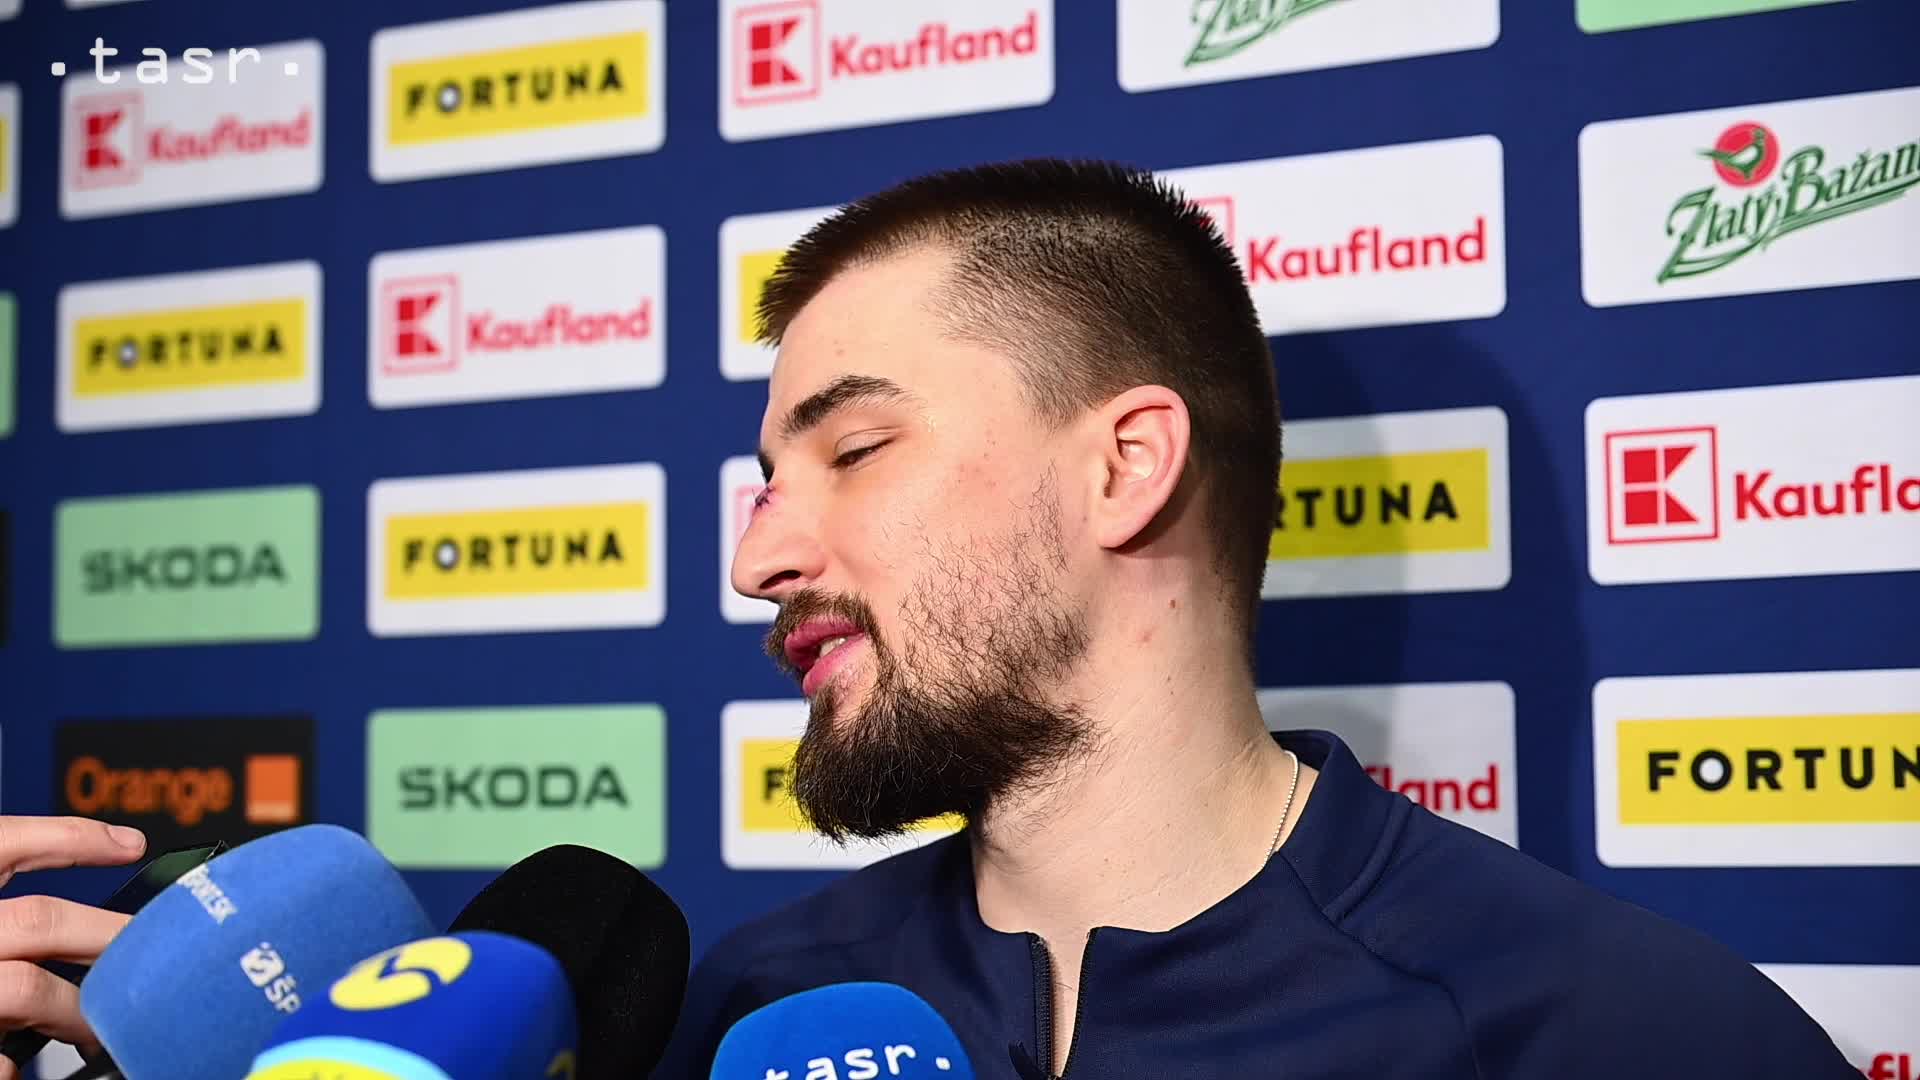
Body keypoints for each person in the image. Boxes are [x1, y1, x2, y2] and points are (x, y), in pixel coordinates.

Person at [655, 160, 1852, 1078]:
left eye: (855, 451)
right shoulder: (754, 1009)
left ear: (1127, 467)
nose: (757, 560)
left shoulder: (1626, 1036)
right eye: (769, 482)